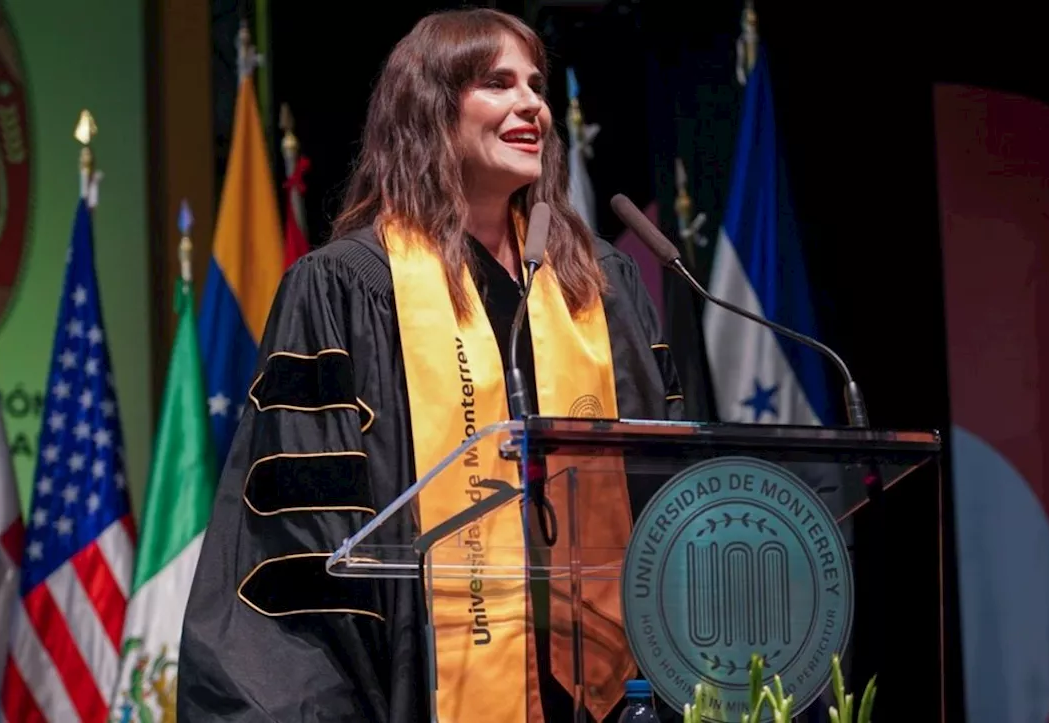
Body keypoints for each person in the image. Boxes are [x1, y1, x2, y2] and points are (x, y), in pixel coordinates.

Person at [178, 8, 686, 723]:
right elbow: (303, 544)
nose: (531, 104)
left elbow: (663, 492)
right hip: (414, 691)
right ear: (430, 111)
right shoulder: (347, 289)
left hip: (610, 694)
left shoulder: (599, 286)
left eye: (536, 85)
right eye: (497, 83)